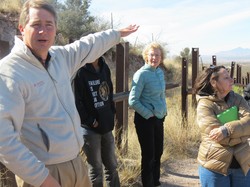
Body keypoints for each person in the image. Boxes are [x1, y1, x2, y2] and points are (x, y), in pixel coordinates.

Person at [0, 0, 139, 186]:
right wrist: (42, 179)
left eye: (49, 25)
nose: (43, 31)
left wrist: (117, 34)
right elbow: (4, 139)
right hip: (44, 172)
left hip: (76, 164)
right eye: (36, 25)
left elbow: (89, 44)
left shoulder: (60, 58)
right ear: (22, 28)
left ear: (56, 29)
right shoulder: (9, 71)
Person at [193, 65, 250, 187]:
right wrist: (243, 132)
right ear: (214, 82)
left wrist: (226, 130)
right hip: (214, 166)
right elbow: (216, 135)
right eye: (226, 78)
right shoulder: (204, 104)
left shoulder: (238, 99)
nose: (231, 80)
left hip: (242, 164)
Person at [74, 55, 120, 187]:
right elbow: (77, 101)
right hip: (89, 129)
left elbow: (109, 91)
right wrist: (90, 121)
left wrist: (111, 113)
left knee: (112, 167)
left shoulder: (104, 67)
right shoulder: (80, 71)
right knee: (96, 170)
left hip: (106, 126)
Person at [128, 42, 167, 187]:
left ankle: (155, 182)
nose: (154, 58)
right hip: (145, 120)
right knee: (149, 155)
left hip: (159, 118)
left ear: (161, 57)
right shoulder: (141, 74)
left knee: (158, 152)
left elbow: (161, 96)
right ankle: (148, 184)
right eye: (152, 54)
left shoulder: (159, 72)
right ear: (146, 56)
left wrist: (164, 112)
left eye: (157, 55)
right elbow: (132, 100)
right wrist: (148, 114)